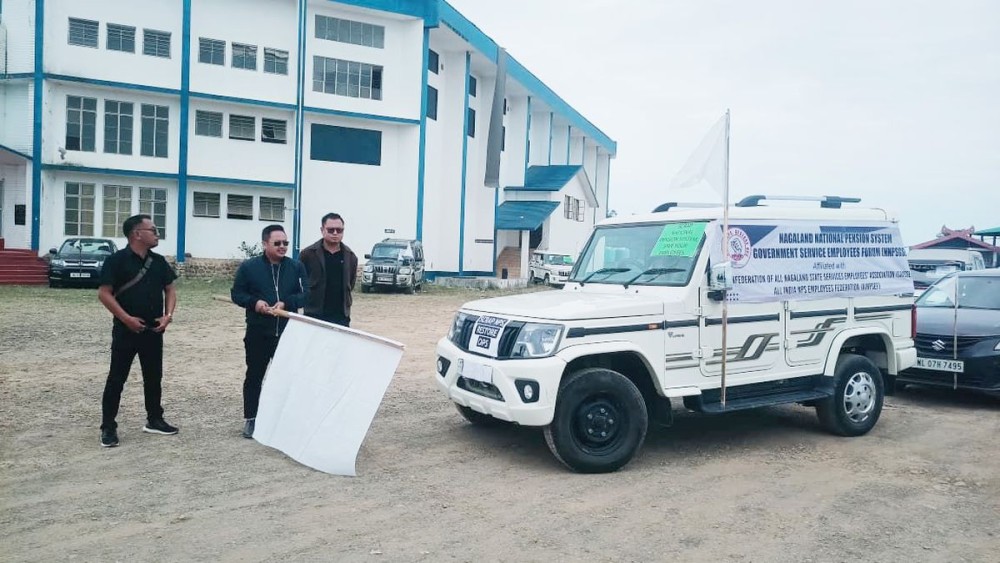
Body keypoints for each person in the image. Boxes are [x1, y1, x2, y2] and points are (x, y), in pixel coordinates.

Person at [97, 214, 178, 448]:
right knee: (116, 378)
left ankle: (154, 419)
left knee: (154, 377)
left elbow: (170, 290)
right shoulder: (116, 261)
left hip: (154, 328)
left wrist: (168, 316)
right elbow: (104, 293)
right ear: (137, 234)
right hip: (126, 329)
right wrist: (126, 319)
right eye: (153, 230)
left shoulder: (159, 261)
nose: (157, 233)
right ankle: (108, 427)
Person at [230, 224, 308, 439]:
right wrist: (255, 303)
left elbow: (305, 294)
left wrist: (286, 303)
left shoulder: (296, 267)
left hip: (286, 332)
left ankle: (285, 419)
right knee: (254, 375)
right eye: (277, 243)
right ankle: (251, 419)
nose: (283, 247)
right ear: (265, 244)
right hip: (258, 332)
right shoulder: (249, 267)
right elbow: (237, 294)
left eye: (285, 243)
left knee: (287, 377)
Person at [299, 213, 359, 327]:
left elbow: (350, 284)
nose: (335, 233)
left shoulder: (350, 256)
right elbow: (300, 281)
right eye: (331, 230)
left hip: (341, 317)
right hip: (314, 315)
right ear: (322, 230)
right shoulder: (307, 254)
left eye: (339, 230)